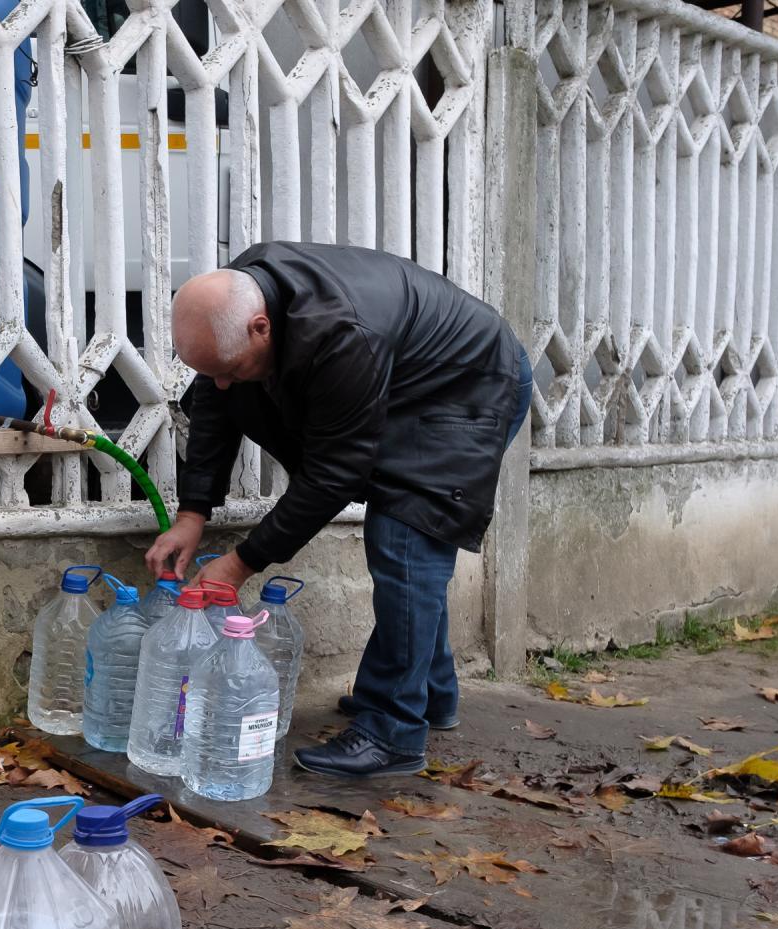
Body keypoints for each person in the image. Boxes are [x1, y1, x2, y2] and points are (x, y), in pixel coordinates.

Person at [150, 242, 532, 779]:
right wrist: (192, 513)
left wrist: (241, 563)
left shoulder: (342, 333)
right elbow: (218, 400)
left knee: (405, 538)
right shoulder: (234, 305)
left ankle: (393, 730)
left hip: (470, 381)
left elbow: (333, 474)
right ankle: (430, 695)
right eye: (210, 370)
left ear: (262, 327)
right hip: (403, 378)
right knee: (411, 552)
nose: (221, 381)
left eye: (232, 368)